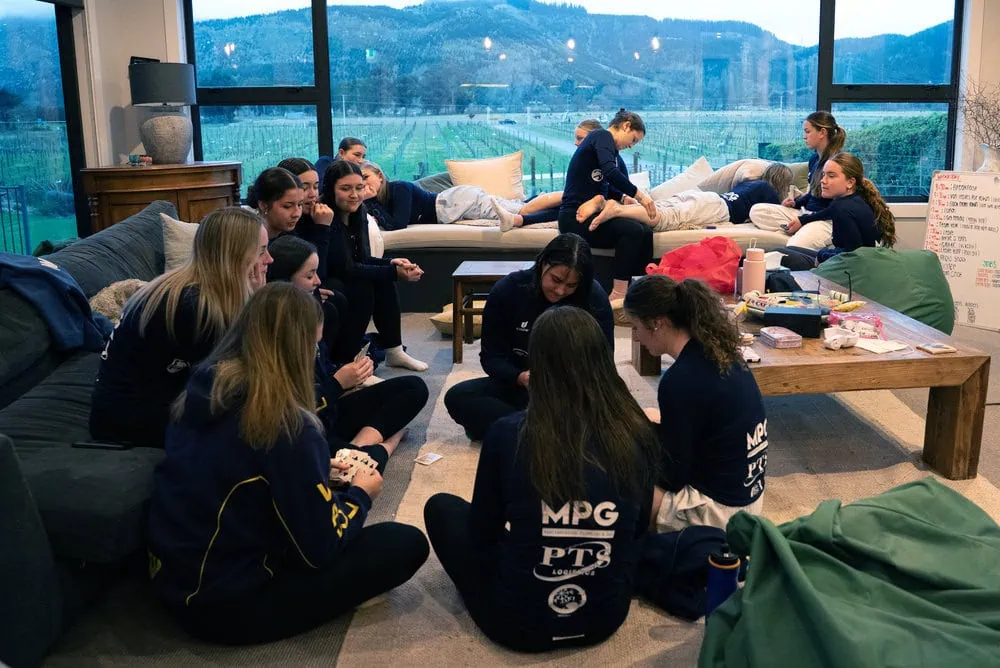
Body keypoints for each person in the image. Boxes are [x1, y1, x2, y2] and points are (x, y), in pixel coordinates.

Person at [146, 283, 429, 645]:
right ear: (297, 349)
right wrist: (361, 494)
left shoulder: (200, 391)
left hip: (171, 577)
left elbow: (245, 477)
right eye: (313, 345)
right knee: (402, 543)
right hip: (223, 608)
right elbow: (320, 549)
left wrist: (314, 472)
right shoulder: (286, 426)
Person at [424, 305, 659, 653]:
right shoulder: (637, 431)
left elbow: (482, 534)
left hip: (517, 625)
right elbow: (639, 528)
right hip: (604, 617)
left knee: (441, 508)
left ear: (538, 366)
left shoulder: (508, 434)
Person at [90, 207, 273, 448]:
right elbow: (230, 385)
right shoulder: (195, 307)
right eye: (261, 252)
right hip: (127, 422)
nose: (269, 259)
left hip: (133, 405)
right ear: (236, 257)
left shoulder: (190, 287)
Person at [267, 235, 429, 472]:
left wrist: (349, 377)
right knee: (362, 460)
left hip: (328, 411)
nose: (318, 281)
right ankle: (377, 448)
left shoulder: (314, 309)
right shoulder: (272, 329)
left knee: (414, 388)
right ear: (285, 281)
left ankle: (354, 448)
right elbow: (290, 411)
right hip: (301, 427)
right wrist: (337, 383)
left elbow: (323, 368)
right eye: (309, 275)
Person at [624, 275, 767, 533]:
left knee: (616, 487)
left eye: (636, 327)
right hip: (750, 498)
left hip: (721, 514)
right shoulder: (722, 353)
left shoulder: (680, 380)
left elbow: (673, 476)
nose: (636, 337)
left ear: (657, 323)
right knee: (651, 416)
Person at [444, 233, 613, 441]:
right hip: (520, 387)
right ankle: (547, 431)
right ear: (543, 263)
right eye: (556, 280)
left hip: (571, 392)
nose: (560, 291)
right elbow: (492, 358)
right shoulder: (509, 289)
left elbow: (604, 362)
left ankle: (520, 430)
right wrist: (520, 377)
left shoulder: (593, 297)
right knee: (458, 397)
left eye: (571, 286)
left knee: (609, 408)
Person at [321, 158, 429, 370]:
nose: (354, 195)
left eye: (359, 188)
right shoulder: (327, 217)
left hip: (346, 273)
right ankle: (351, 360)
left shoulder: (359, 212)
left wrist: (390, 262)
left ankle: (394, 351)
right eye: (345, 189)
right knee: (365, 283)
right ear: (331, 189)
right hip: (328, 279)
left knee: (382, 279)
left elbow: (361, 258)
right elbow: (345, 267)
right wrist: (393, 272)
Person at [558, 108, 657, 306]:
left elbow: (605, 185)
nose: (631, 146)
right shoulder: (601, 136)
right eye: (634, 140)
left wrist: (623, 197)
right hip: (574, 217)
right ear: (626, 125)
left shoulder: (607, 148)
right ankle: (618, 294)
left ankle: (641, 290)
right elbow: (610, 173)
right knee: (632, 231)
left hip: (591, 214)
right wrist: (640, 196)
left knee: (645, 231)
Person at [359, 160, 564, 231]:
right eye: (360, 182)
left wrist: (370, 202)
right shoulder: (380, 200)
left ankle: (567, 196)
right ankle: (564, 206)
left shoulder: (399, 188)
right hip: (456, 204)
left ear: (380, 176)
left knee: (521, 211)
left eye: (366, 176)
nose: (364, 184)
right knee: (520, 206)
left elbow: (397, 224)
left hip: (454, 203)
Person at [588, 163, 794, 232]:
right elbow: (771, 216)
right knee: (664, 219)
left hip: (706, 198)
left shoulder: (751, 183)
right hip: (717, 209)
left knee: (662, 207)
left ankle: (605, 204)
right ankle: (617, 209)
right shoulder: (770, 193)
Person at [776, 152, 897, 270]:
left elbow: (853, 255)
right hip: (857, 263)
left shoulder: (842, 207)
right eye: (823, 175)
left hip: (853, 271)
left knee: (782, 256)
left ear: (850, 182)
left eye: (831, 176)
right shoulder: (856, 199)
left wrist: (822, 255)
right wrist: (824, 254)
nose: (823, 180)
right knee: (786, 250)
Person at [749, 111, 847, 250]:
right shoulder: (814, 160)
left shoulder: (838, 163)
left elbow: (838, 208)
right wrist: (795, 203)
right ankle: (798, 228)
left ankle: (803, 231)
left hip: (825, 220)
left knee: (794, 248)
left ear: (822, 132)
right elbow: (813, 193)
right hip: (806, 213)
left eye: (808, 131)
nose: (804, 136)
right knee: (757, 210)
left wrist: (804, 221)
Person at [246, 167, 305, 241]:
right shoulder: (249, 239)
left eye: (300, 204)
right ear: (264, 206)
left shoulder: (291, 235)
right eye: (287, 206)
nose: (297, 214)